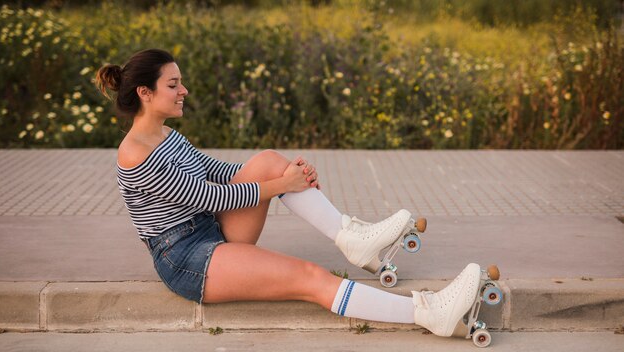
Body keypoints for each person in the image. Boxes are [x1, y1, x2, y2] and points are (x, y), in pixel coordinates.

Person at [96, 48, 482, 337]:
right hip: (186, 258)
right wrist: (282, 186)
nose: (184, 91)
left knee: (267, 160)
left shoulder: (165, 134)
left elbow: (219, 173)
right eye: (173, 84)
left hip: (209, 230)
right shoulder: (135, 156)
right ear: (145, 93)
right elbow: (210, 197)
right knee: (310, 278)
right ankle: (429, 313)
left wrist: (286, 174)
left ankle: (351, 237)